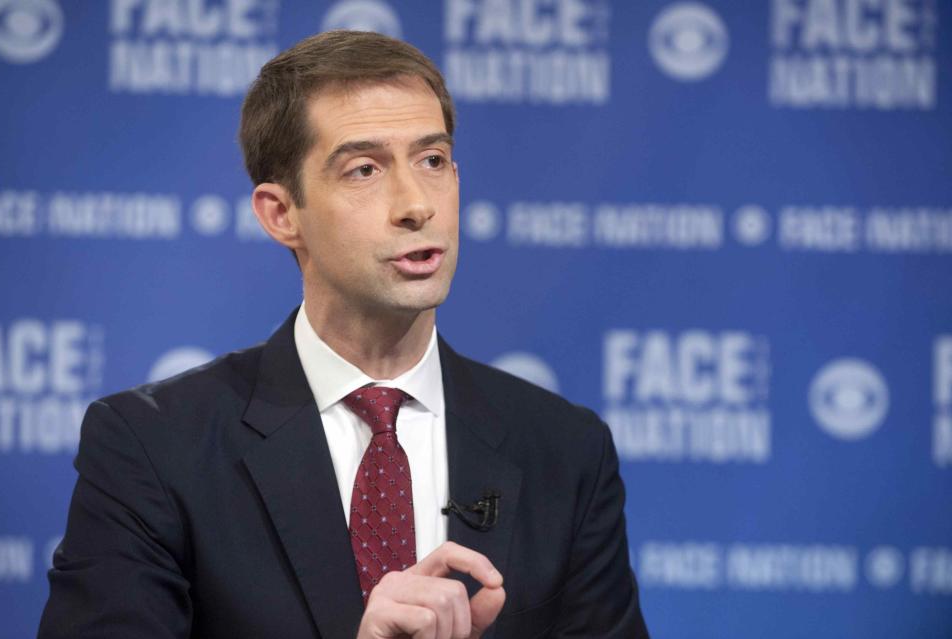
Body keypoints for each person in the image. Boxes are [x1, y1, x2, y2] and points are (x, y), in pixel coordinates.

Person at [38, 30, 649, 639]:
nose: (416, 205)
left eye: (432, 161)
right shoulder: (153, 447)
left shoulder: (566, 453)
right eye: (364, 169)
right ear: (282, 214)